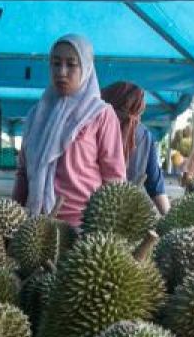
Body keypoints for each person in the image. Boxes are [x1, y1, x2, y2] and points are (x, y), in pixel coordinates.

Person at [14, 35, 126, 226]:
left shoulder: (101, 115)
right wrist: (14, 215)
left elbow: (115, 179)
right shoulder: (37, 115)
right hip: (35, 226)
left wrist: (109, 230)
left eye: (71, 64)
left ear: (86, 68)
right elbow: (23, 172)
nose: (61, 72)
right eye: (56, 64)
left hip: (82, 227)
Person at [102, 81, 170, 215]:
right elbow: (156, 187)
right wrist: (171, 220)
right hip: (126, 216)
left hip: (91, 214)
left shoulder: (95, 128)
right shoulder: (144, 135)